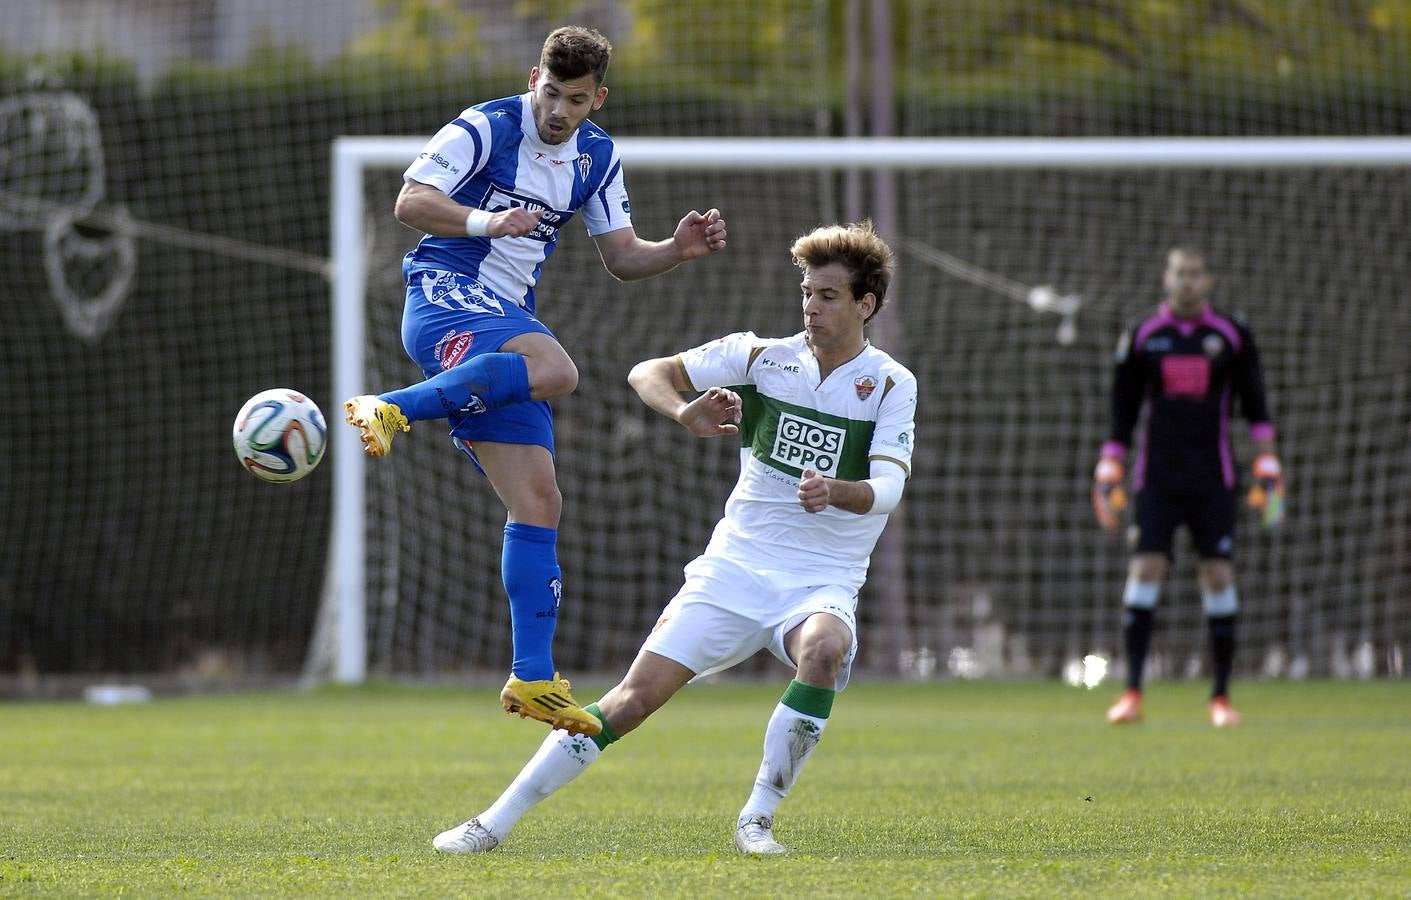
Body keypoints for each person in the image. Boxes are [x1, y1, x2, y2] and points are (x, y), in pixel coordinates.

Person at [429, 221, 916, 856]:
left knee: (825, 647)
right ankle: (490, 823)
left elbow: (888, 489)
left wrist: (838, 491)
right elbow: (647, 372)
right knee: (628, 703)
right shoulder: (759, 358)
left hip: (821, 577)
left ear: (865, 304)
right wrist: (684, 411)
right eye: (805, 292)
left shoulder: (890, 383)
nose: (810, 306)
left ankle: (757, 821)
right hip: (734, 568)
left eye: (827, 295)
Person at [342, 26, 727, 736]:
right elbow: (410, 203)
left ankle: (532, 679)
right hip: (444, 292)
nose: (557, 109)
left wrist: (675, 249)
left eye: (574, 99)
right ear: (532, 80)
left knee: (540, 501)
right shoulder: (486, 126)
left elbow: (619, 256)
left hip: (502, 325)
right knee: (556, 370)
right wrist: (489, 221)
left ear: (596, 99)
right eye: (550, 92)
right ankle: (389, 410)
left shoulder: (598, 156)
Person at [1091, 245, 1283, 728]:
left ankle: (1221, 698)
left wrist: (1267, 457)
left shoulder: (1231, 335)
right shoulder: (1143, 336)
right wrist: (1110, 463)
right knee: (1146, 568)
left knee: (1217, 575)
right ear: (1166, 279)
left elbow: (1255, 401)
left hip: (1214, 475)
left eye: (1195, 274)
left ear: (1208, 281)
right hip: (1156, 477)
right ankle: (1132, 692)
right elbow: (1124, 406)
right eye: (1179, 274)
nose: (1187, 282)